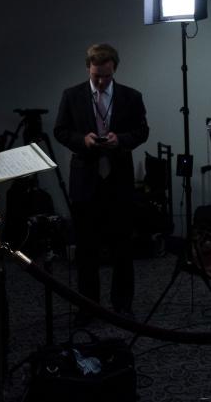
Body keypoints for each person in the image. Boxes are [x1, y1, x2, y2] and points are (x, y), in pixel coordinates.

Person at [54, 43, 148, 323]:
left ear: (114, 69)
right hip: (85, 180)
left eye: (106, 76)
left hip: (118, 180)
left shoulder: (132, 97)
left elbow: (142, 131)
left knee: (123, 247)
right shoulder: (71, 96)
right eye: (96, 75)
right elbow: (60, 130)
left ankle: (122, 305)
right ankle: (88, 306)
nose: (101, 81)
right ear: (88, 69)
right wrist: (82, 141)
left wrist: (123, 140)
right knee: (86, 249)